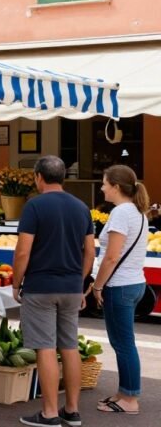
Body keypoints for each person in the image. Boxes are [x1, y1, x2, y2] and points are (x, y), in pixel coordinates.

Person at [12, 156, 95, 427]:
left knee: (45, 348)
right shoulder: (82, 208)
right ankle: (71, 411)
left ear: (38, 177)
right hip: (72, 287)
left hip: (41, 287)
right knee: (69, 347)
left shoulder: (34, 206)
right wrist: (79, 282)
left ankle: (49, 413)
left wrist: (16, 283)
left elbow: (23, 250)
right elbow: (90, 252)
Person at [91, 165, 149, 414]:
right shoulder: (138, 212)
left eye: (104, 183)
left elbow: (111, 256)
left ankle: (129, 399)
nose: (102, 187)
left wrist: (97, 285)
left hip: (119, 285)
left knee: (123, 344)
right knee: (125, 342)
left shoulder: (121, 213)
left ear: (115, 187)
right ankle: (124, 393)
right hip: (135, 282)